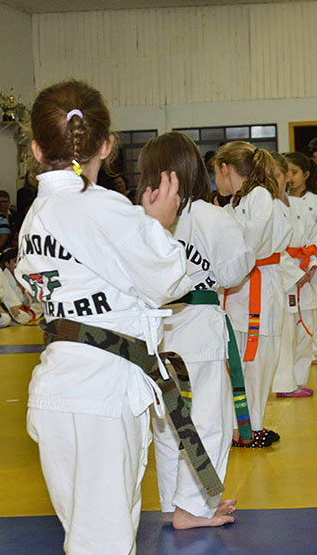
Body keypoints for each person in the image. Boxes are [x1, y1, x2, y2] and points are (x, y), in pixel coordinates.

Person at [15, 80, 197, 553]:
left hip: (56, 390)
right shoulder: (104, 208)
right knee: (106, 541)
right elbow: (168, 280)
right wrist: (158, 225)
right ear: (107, 145)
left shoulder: (35, 216)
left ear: (37, 149)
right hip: (103, 394)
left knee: (86, 535)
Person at [138, 131, 251, 529]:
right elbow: (236, 269)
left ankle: (174, 503)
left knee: (168, 422)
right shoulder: (210, 216)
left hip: (156, 332)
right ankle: (193, 507)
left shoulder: (142, 216)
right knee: (207, 420)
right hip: (199, 329)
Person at [214, 141, 291, 447]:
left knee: (256, 360)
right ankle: (241, 427)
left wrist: (220, 222)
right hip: (240, 288)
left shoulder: (259, 196)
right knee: (240, 360)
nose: (215, 181)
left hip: (257, 285)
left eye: (215, 173)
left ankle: (248, 427)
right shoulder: (239, 201)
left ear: (225, 169)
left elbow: (248, 242)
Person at [282, 152, 317, 391]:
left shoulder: (316, 203)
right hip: (284, 267)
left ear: (305, 174)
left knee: (307, 323)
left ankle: (300, 378)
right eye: (285, 173)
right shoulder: (275, 203)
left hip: (308, 263)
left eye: (294, 172)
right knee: (285, 328)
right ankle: (285, 381)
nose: (289, 178)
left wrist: (312, 263)